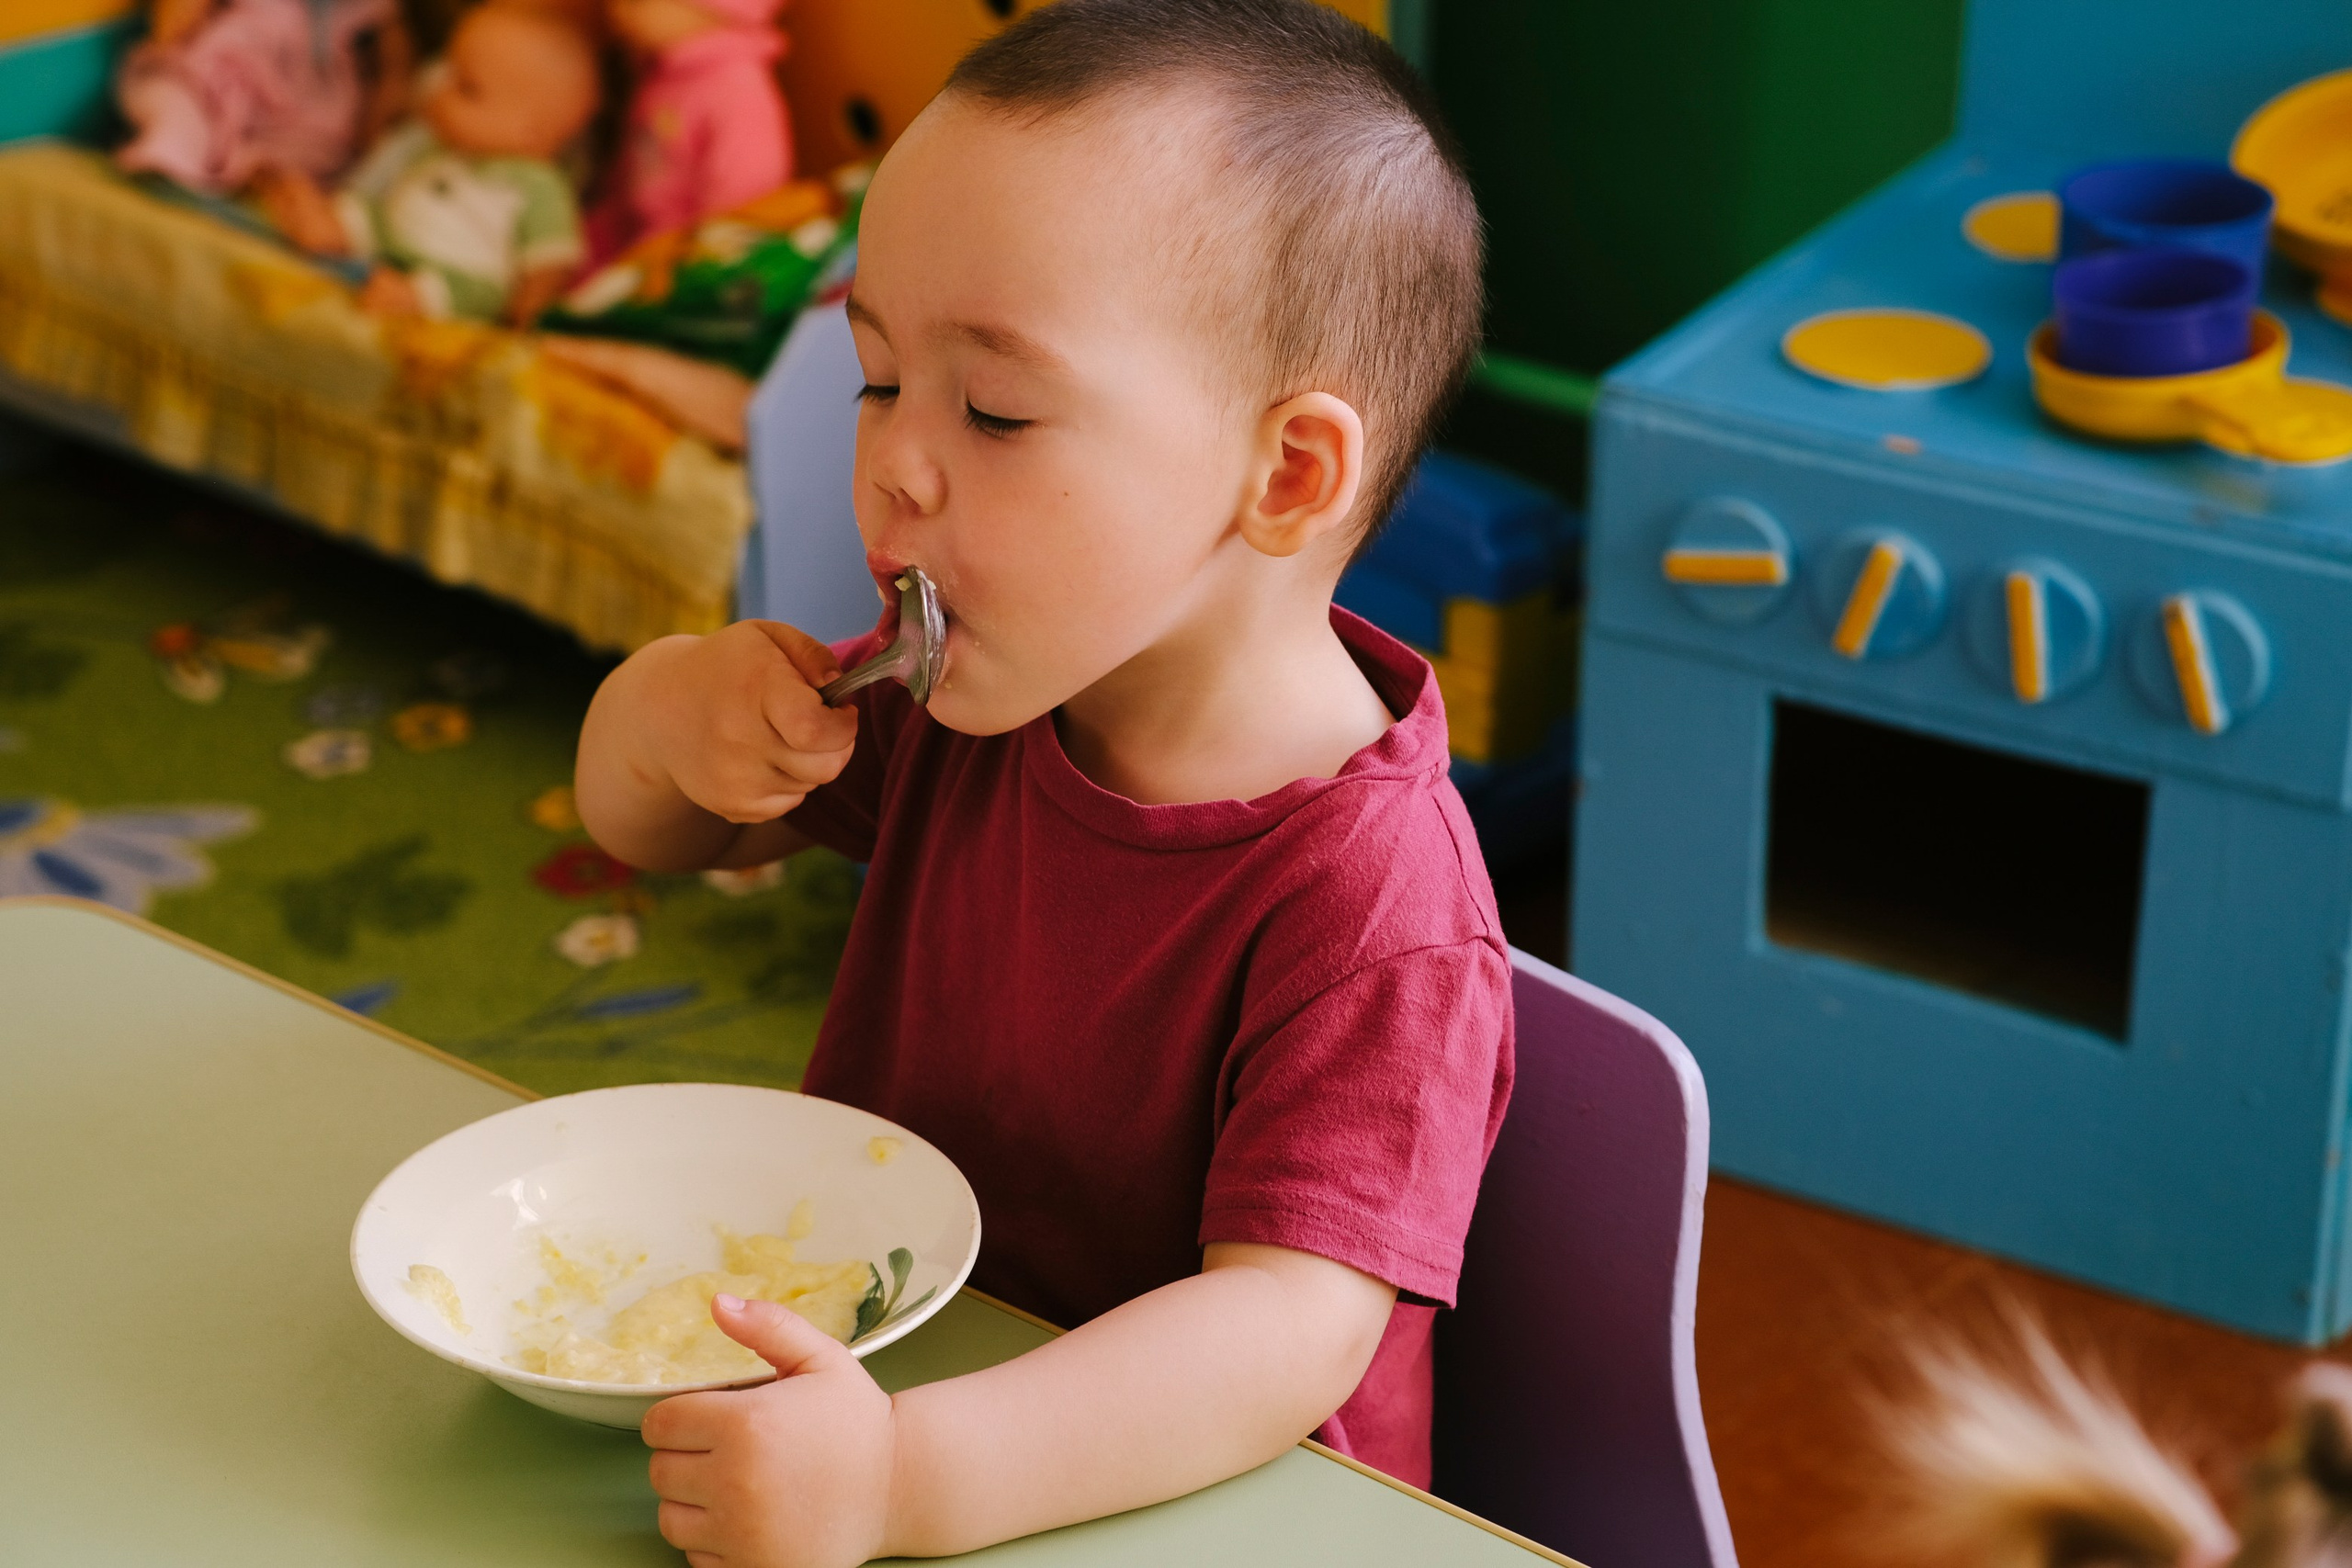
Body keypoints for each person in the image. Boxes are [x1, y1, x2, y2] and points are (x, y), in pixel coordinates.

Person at [572, 2, 1505, 1563]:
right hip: (882, 1400)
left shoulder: (1375, 898)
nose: (896, 467)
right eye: (880, 381)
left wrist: (905, 1479)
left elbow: (1288, 1327)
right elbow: (651, 832)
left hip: (1216, 1507)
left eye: (995, 409)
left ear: (1285, 475)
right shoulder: (970, 686)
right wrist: (671, 716)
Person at [254, 4, 598, 323]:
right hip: (394, 239)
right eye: (447, 70)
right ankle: (323, 225)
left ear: (531, 132)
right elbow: (389, 205)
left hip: (461, 279)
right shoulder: (434, 149)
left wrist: (528, 314)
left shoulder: (538, 185)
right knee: (362, 215)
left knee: (472, 292)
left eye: (467, 88)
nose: (438, 90)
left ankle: (413, 297)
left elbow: (549, 262)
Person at [115, 0, 412, 195]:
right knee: (181, 98)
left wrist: (386, 105)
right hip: (227, 67)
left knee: (319, 148)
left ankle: (265, 177)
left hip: (305, 97)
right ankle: (173, 152)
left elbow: (392, 52)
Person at [585, 0, 794, 265]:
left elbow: (742, 210)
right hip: (635, 242)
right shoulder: (663, 70)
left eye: (636, 2)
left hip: (683, 263)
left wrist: (691, 264)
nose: (615, 11)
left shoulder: (738, 92)